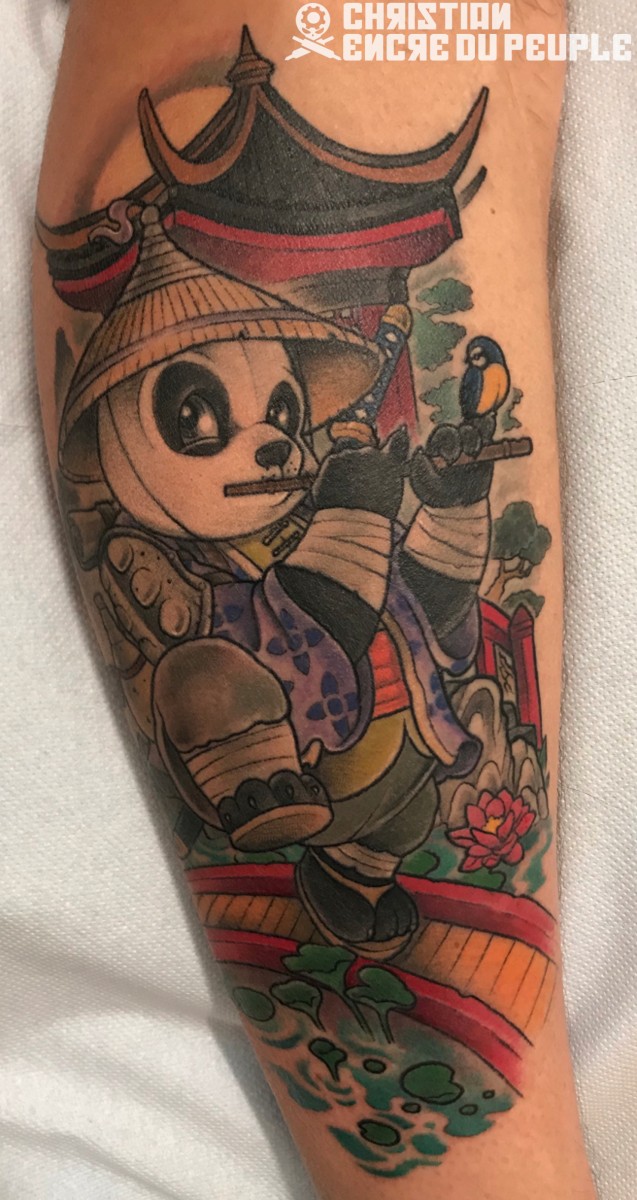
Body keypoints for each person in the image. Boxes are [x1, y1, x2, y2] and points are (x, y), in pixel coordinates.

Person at [33, 2, 596, 1195]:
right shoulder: (199, 579)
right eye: (200, 414)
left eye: (284, 411)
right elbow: (321, 40)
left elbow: (418, 590)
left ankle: (356, 868)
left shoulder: (336, 504)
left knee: (416, 615)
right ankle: (267, 794)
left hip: (384, 739)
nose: (270, 443)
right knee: (215, 675)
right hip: (281, 731)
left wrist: (447, 485)